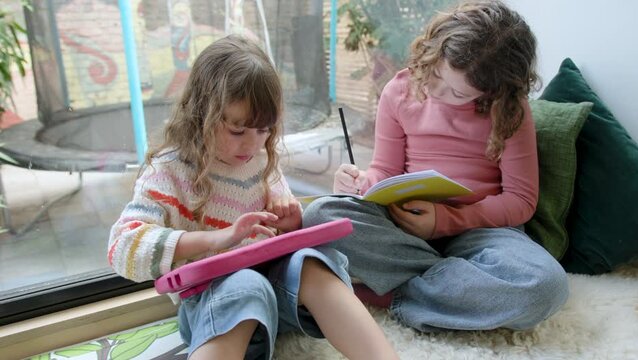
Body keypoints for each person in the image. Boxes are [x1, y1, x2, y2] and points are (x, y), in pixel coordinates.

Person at [108, 35, 398, 360]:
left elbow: (281, 240)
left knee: (311, 263)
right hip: (212, 310)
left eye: (264, 131)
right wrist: (216, 239)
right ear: (201, 113)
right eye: (237, 131)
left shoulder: (260, 162)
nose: (252, 145)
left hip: (276, 307)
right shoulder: (170, 169)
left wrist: (290, 224)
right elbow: (123, 248)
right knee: (246, 283)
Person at [303, 0, 569, 333]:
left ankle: (389, 295)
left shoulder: (511, 111)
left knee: (546, 287)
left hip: (482, 233)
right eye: (436, 74)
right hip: (404, 224)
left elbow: (520, 201)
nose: (437, 92)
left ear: (494, 92)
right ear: (431, 52)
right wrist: (360, 184)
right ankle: (459, 287)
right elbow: (384, 172)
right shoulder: (399, 92)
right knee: (321, 215)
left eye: (459, 92)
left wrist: (447, 220)